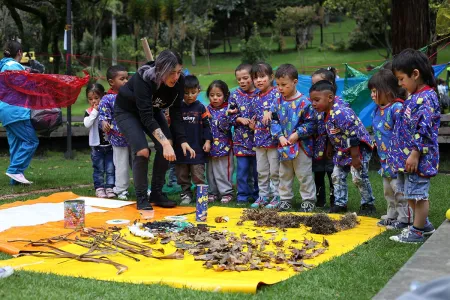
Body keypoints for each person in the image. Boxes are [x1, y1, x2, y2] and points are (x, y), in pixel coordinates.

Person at [114, 49, 195, 210]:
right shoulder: (143, 79)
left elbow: (176, 112)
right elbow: (146, 117)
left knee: (169, 142)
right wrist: (164, 144)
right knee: (143, 151)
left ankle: (157, 193)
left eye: (179, 72)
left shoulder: (179, 82)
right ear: (161, 70)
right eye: (172, 73)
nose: (176, 77)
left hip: (152, 110)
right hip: (127, 111)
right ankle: (142, 197)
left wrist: (182, 140)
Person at [388, 49, 439, 243]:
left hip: (418, 158)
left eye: (401, 79)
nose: (400, 84)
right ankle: (423, 225)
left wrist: (416, 153)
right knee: (410, 192)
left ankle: (417, 231)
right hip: (406, 158)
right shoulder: (414, 95)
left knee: (418, 195)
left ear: (415, 74)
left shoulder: (427, 98)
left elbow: (424, 129)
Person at [310, 80, 376, 215]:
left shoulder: (341, 113)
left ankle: (368, 204)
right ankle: (340, 204)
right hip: (342, 150)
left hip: (358, 149)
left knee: (359, 177)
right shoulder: (325, 112)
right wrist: (329, 147)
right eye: (312, 100)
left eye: (317, 100)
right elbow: (330, 132)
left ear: (330, 98)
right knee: (337, 176)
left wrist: (355, 158)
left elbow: (353, 136)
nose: (313, 104)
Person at [369, 69, 413, 229]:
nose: (372, 95)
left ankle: (405, 218)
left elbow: (404, 132)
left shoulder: (397, 108)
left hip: (398, 160)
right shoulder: (377, 109)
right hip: (384, 160)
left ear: (387, 90)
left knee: (399, 190)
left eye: (375, 91)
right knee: (388, 191)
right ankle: (392, 215)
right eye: (371, 92)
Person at [270, 64, 316, 212]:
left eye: (284, 85)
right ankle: (285, 199)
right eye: (277, 85)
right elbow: (274, 120)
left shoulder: (305, 102)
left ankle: (308, 199)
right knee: (284, 174)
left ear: (295, 82)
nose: (280, 88)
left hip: (302, 146)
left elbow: (311, 123)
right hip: (284, 146)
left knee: (304, 174)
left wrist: (298, 134)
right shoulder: (277, 101)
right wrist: (280, 136)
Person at [0, 40, 39, 185]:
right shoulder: (14, 66)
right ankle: (15, 170)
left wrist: (26, 72)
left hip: (5, 111)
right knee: (31, 141)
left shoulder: (4, 66)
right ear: (20, 53)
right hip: (16, 111)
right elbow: (25, 86)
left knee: (16, 144)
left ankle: (14, 181)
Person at [310, 68, 347, 208]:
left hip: (334, 148)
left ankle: (335, 201)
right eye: (313, 84)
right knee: (318, 174)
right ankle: (320, 201)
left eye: (319, 83)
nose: (316, 87)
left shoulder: (339, 106)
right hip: (318, 148)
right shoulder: (313, 104)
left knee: (334, 175)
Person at [174, 75, 212, 205]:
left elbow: (208, 126)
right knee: (182, 175)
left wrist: (207, 141)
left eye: (193, 92)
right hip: (180, 150)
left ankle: (200, 195)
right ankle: (185, 194)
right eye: (186, 93)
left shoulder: (201, 108)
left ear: (198, 91)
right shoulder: (177, 108)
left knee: (198, 174)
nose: (190, 96)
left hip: (197, 149)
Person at [248, 62, 280, 208]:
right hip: (259, 141)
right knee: (261, 171)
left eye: (262, 77)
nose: (259, 80)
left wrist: (271, 112)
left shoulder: (277, 93)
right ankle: (263, 196)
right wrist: (253, 125)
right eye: (256, 78)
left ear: (271, 77)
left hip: (273, 140)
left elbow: (282, 112)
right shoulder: (254, 97)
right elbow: (255, 116)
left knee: (275, 171)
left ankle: (277, 196)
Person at [227, 63, 259, 204]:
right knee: (242, 171)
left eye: (245, 78)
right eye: (239, 79)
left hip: (259, 141)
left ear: (253, 77)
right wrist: (239, 118)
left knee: (258, 171)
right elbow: (229, 115)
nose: (242, 82)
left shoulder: (260, 93)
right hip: (241, 142)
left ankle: (259, 195)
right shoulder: (234, 95)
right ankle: (243, 196)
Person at [98, 65, 130, 200]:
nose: (126, 81)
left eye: (127, 78)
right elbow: (103, 115)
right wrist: (104, 122)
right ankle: (121, 189)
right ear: (112, 82)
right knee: (121, 164)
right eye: (122, 79)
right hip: (118, 138)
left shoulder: (130, 95)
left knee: (140, 162)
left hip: (134, 136)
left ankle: (143, 187)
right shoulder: (107, 99)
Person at [84, 83, 115, 198]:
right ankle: (99, 188)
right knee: (99, 168)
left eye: (96, 98)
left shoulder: (108, 110)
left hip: (110, 145)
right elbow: (87, 124)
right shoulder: (89, 112)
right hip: (96, 147)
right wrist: (95, 112)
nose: (94, 101)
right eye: (90, 99)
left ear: (103, 97)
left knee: (111, 168)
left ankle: (110, 187)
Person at [206, 80, 235, 203]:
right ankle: (213, 192)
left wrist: (226, 116)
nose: (215, 98)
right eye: (212, 95)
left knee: (224, 170)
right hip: (209, 145)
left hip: (225, 145)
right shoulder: (206, 109)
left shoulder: (229, 109)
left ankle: (226, 192)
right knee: (210, 171)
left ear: (225, 95)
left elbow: (227, 127)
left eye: (218, 95)